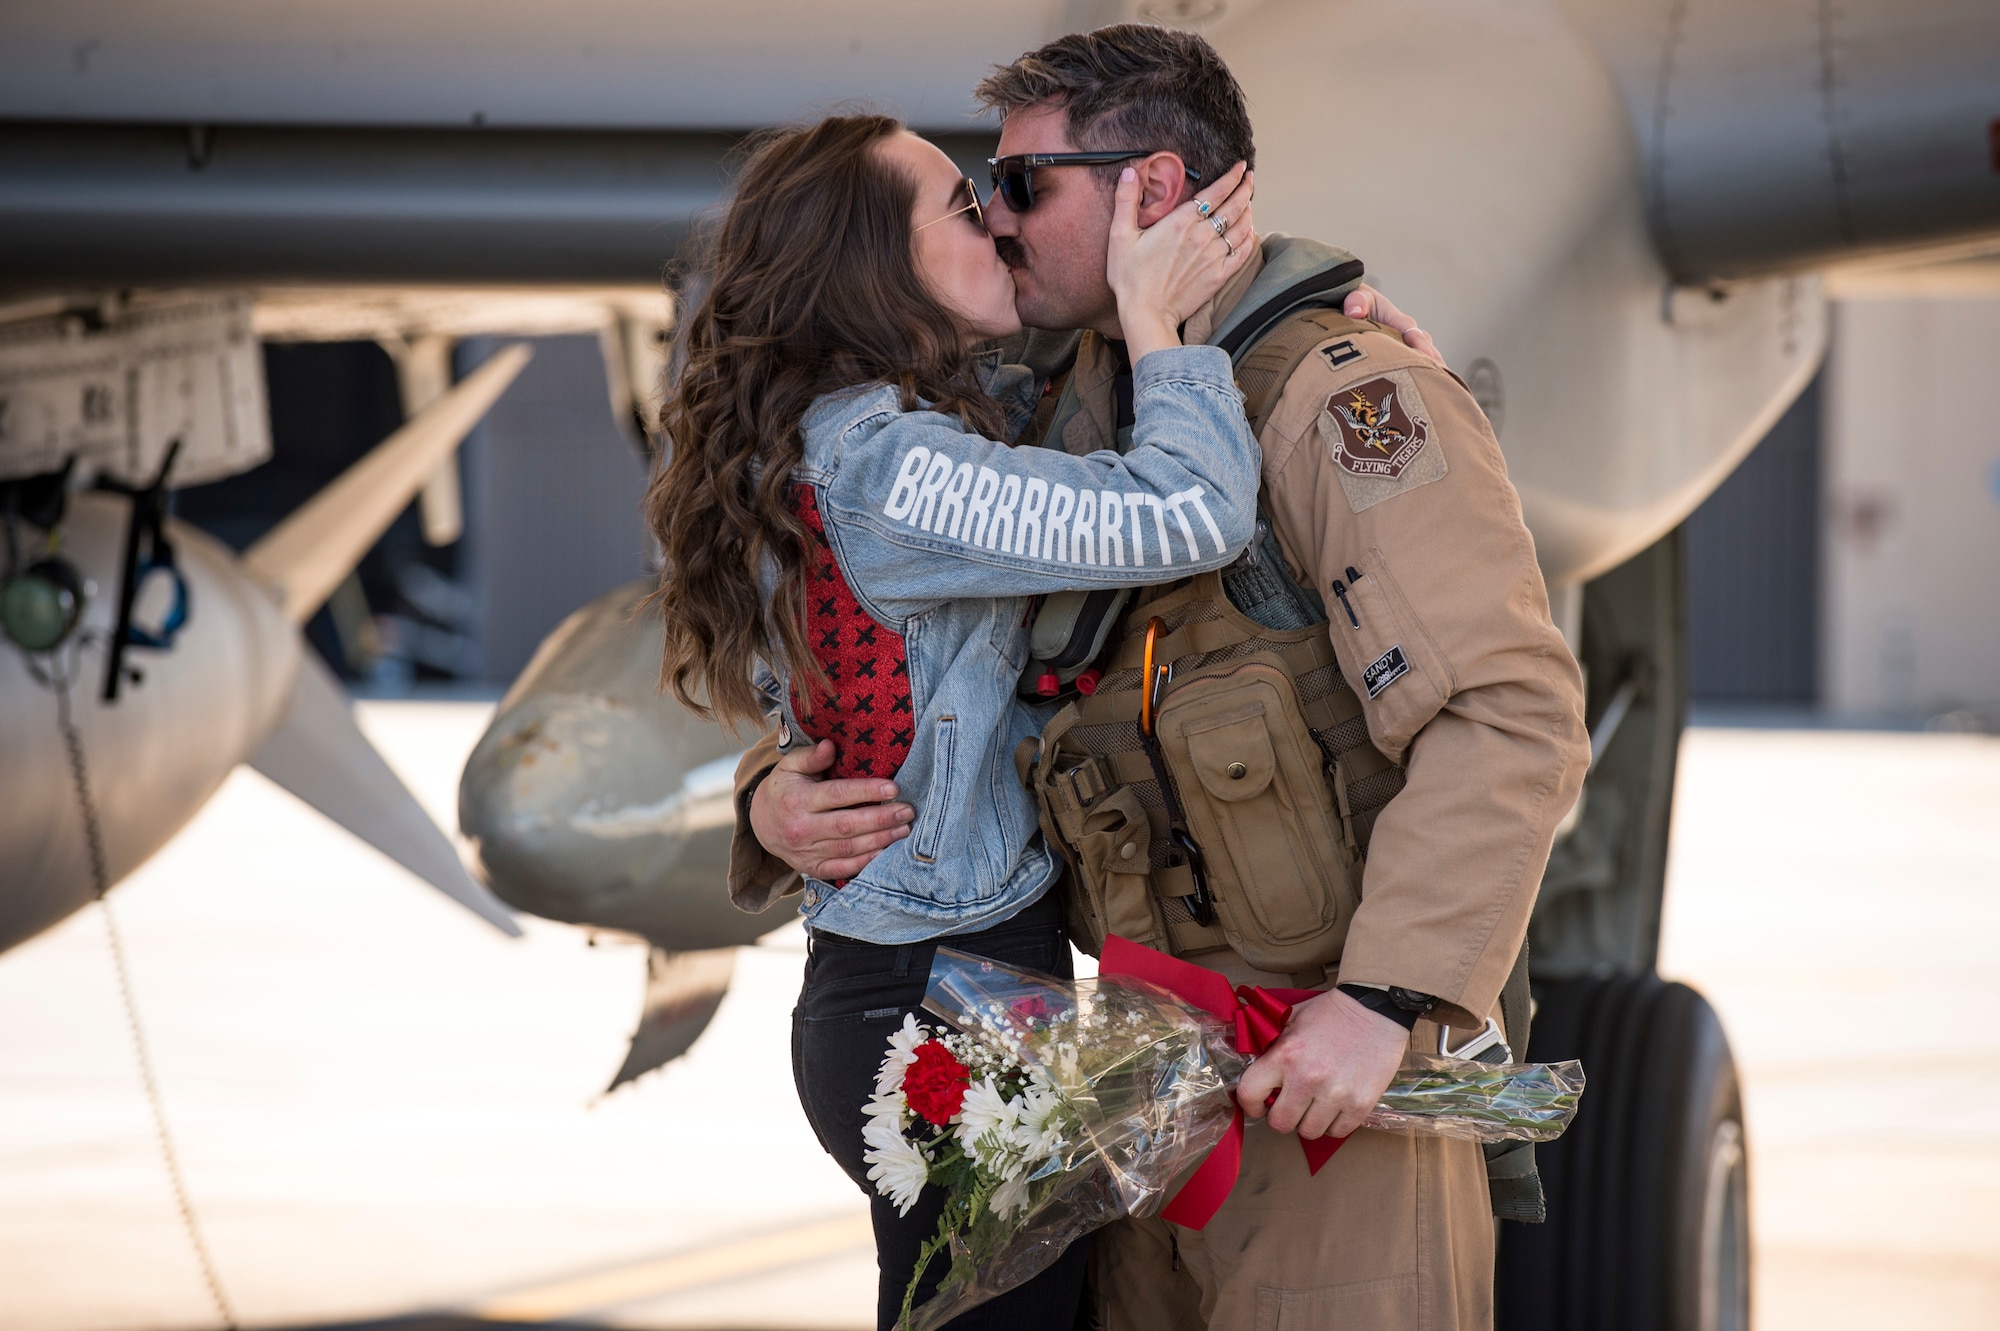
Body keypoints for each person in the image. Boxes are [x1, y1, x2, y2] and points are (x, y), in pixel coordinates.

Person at [734, 25, 1591, 1331]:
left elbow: (1510, 717)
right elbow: (869, 634)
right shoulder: (1042, 406)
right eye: (983, 194)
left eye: (1024, 188)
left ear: (1153, 191)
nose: (1000, 224)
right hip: (1143, 1095)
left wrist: (1380, 1002)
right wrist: (771, 797)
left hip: (1333, 1102)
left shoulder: (1331, 400)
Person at [644, 112, 1269, 1329]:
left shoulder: (854, 435)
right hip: (938, 1005)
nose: (993, 213)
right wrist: (1155, 324)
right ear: (875, 267)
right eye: (955, 202)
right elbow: (1191, 510)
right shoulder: (890, 468)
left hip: (933, 988)